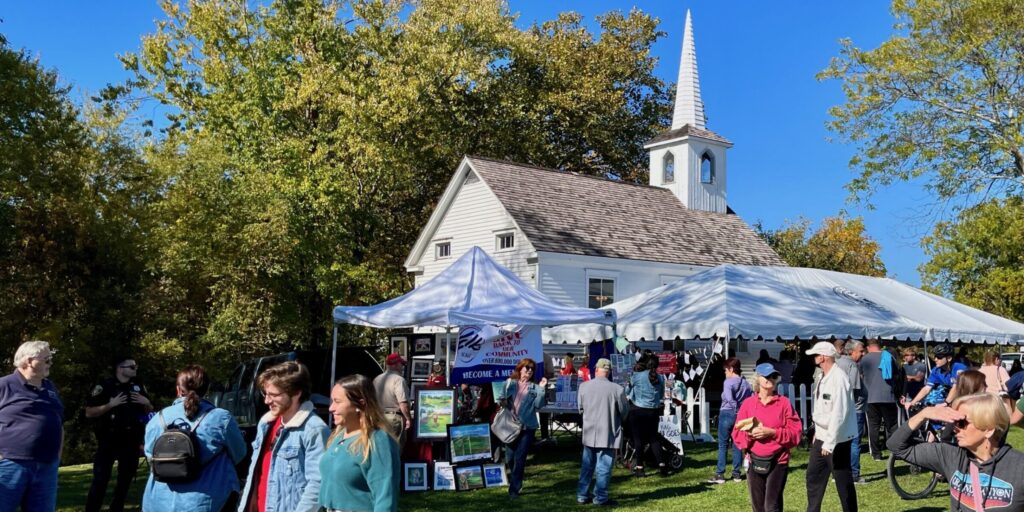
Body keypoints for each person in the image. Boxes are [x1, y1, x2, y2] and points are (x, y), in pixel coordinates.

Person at [889, 392, 1024, 510]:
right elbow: (896, 446)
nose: (954, 428)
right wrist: (924, 414)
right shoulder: (951, 456)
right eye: (954, 422)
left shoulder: (1018, 467)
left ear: (988, 429)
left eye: (961, 422)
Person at [143, 365, 247, 512]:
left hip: (159, 501)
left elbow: (149, 455)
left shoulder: (158, 419)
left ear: (178, 389)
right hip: (208, 500)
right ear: (207, 389)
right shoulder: (221, 418)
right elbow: (240, 453)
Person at [238, 361, 329, 512]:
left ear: (296, 393)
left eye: (273, 395)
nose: (267, 400)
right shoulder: (266, 423)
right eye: (265, 394)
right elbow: (254, 475)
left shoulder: (314, 429)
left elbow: (318, 484)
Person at [319, 374, 400, 512]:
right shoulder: (338, 437)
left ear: (360, 404)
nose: (331, 408)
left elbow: (385, 497)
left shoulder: (377, 441)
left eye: (337, 402)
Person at [0, 341, 63, 512]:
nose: (50, 363)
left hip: (47, 466)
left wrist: (57, 456)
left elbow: (57, 421)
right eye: (46, 359)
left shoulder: (49, 387)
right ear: (29, 361)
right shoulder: (5, 385)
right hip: (11, 464)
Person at [84, 355, 153, 512]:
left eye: (136, 366)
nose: (135, 369)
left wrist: (147, 402)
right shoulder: (104, 386)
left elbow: (149, 411)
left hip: (131, 439)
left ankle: (117, 507)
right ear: (120, 368)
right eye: (132, 367)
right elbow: (89, 412)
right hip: (109, 438)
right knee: (101, 479)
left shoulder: (138, 386)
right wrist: (110, 405)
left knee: (125, 479)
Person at [732, 363, 802, 512]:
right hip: (754, 460)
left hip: (778, 460)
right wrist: (750, 435)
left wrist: (772, 432)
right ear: (758, 379)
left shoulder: (784, 404)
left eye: (773, 376)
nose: (770, 379)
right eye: (767, 376)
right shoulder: (748, 404)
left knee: (772, 506)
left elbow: (795, 434)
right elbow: (737, 434)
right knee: (758, 507)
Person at [805, 341, 858, 512]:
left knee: (843, 483)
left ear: (823, 356)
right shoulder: (822, 376)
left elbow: (839, 413)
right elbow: (822, 409)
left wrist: (829, 443)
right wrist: (818, 433)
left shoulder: (839, 378)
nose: (814, 358)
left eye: (816, 354)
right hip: (822, 436)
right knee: (813, 477)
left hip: (838, 439)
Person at [576, 358, 629, 507]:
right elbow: (624, 412)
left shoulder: (583, 387)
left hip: (589, 432)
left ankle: (582, 495)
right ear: (609, 372)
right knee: (603, 468)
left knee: (587, 466)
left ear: (596, 370)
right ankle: (600, 497)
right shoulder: (617, 389)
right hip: (608, 433)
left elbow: (580, 409)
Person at [501, 358, 547, 498]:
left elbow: (539, 405)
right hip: (510, 426)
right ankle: (515, 480)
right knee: (509, 457)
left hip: (527, 427)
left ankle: (514, 488)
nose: (529, 371)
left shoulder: (535, 388)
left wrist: (542, 389)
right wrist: (502, 400)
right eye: (527, 368)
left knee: (520, 458)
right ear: (520, 368)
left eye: (532, 369)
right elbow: (501, 400)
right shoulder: (510, 383)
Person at [708, 357, 752, 484]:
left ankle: (720, 474)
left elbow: (728, 398)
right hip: (740, 415)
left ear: (731, 369)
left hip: (727, 413)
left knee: (723, 444)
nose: (725, 373)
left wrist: (735, 408)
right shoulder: (746, 383)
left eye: (726, 370)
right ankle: (736, 473)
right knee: (737, 443)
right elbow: (749, 399)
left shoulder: (728, 382)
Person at [628, 354, 668, 477]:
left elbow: (627, 391)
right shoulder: (660, 378)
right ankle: (662, 465)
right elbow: (661, 395)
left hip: (638, 409)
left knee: (638, 439)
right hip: (653, 411)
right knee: (653, 439)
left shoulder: (637, 376)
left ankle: (640, 467)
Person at [859, 340, 899, 462]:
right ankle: (895, 451)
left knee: (873, 426)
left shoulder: (864, 359)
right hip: (888, 396)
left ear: (868, 347)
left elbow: (860, 376)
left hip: (870, 397)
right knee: (892, 425)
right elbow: (897, 374)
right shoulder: (889, 356)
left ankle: (876, 454)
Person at [835, 340, 866, 483]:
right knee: (854, 442)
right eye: (860, 351)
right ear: (852, 351)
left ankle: (838, 473)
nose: (863, 353)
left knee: (839, 441)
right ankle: (854, 474)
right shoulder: (852, 365)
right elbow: (853, 388)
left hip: (839, 409)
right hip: (854, 409)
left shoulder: (837, 362)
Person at [908, 344, 969, 409]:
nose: (935, 359)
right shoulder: (935, 370)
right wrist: (912, 403)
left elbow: (956, 387)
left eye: (939, 357)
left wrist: (946, 403)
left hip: (967, 397)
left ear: (949, 358)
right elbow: (927, 388)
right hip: (952, 398)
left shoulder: (959, 368)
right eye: (935, 357)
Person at [372, 353, 412, 448]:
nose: (402, 367)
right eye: (401, 364)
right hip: (394, 419)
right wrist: (408, 418)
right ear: (396, 364)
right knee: (395, 450)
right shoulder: (399, 380)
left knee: (381, 448)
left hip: (378, 417)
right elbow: (403, 403)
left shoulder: (377, 379)